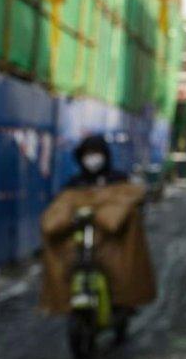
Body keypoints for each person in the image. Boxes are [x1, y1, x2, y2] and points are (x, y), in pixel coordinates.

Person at [39, 134, 156, 330]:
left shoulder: (118, 180)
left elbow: (128, 203)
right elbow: (58, 213)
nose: (93, 159)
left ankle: (122, 303)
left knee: (120, 267)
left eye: (96, 154)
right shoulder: (74, 184)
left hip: (110, 241)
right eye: (88, 154)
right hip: (81, 239)